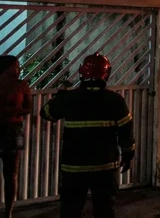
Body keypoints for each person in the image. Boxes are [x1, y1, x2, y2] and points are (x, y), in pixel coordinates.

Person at [41, 53, 134, 218]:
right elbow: (126, 132)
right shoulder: (115, 100)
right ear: (106, 74)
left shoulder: (69, 98)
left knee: (71, 210)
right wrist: (128, 155)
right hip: (105, 167)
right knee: (105, 210)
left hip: (74, 167)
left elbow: (46, 113)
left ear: (81, 72)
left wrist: (59, 97)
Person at [0, 56, 30, 218]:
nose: (18, 69)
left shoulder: (21, 85)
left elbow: (28, 108)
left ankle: (8, 212)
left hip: (13, 130)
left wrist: (12, 111)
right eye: (16, 66)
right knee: (11, 173)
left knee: (11, 173)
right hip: (10, 128)